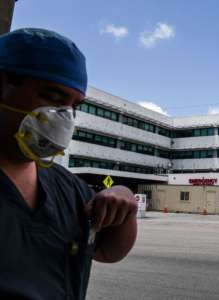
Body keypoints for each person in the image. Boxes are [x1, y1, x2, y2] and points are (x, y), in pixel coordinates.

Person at [0, 28, 138, 299]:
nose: (65, 118)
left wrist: (123, 202)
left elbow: (107, 251)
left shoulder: (67, 187)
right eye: (53, 97)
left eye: (74, 107)